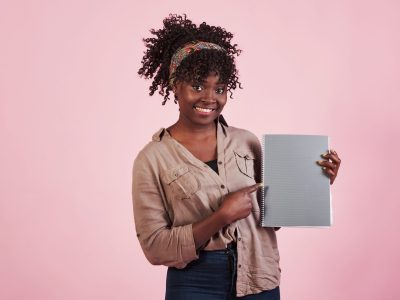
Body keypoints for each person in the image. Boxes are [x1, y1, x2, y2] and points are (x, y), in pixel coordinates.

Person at [132, 13, 341, 300]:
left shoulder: (247, 142)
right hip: (194, 281)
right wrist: (220, 217)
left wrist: (315, 182)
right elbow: (155, 247)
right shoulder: (152, 159)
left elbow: (270, 216)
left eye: (219, 89)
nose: (210, 98)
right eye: (197, 86)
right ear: (173, 85)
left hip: (259, 274)